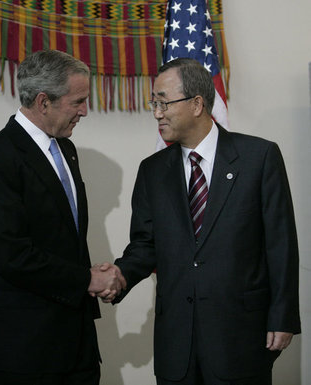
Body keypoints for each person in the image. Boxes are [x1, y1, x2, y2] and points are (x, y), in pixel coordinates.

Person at [99, 58, 301, 384]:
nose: (156, 112)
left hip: (241, 338)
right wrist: (120, 275)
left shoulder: (259, 158)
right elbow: (145, 245)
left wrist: (283, 316)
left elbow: (281, 244)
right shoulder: (152, 171)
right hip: (177, 343)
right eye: (154, 103)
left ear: (196, 104)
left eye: (164, 102)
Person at [0, 49, 125, 385]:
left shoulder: (65, 148)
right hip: (23, 351)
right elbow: (11, 256)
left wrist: (91, 273)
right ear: (43, 102)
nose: (85, 111)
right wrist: (87, 280)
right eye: (77, 101)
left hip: (74, 344)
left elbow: (61, 238)